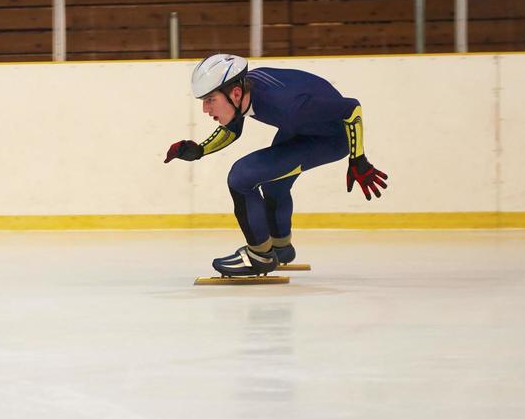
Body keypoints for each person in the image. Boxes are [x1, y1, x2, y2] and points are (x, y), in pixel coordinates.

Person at [165, 53, 388, 277]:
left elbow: (351, 108)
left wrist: (358, 159)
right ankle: (281, 247)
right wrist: (201, 150)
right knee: (274, 185)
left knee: (241, 176)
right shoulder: (243, 90)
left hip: (329, 139)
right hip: (302, 128)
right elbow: (233, 126)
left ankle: (259, 256)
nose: (205, 109)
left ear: (234, 93)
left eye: (210, 100)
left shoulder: (289, 106)